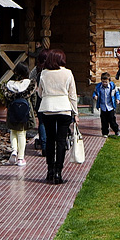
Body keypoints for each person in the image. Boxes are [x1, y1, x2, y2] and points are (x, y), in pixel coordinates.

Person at [36, 48, 79, 184]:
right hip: (64, 108)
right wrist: (75, 113)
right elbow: (72, 95)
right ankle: (59, 172)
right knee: (61, 141)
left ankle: (50, 169)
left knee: (50, 139)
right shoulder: (68, 73)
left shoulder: (44, 73)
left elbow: (40, 93)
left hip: (48, 108)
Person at [2, 64, 36, 167]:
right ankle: (21, 158)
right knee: (22, 133)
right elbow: (33, 100)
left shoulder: (9, 85)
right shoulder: (29, 84)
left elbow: (5, 100)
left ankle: (14, 150)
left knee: (13, 131)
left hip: (12, 111)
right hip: (25, 112)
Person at [94, 71, 120, 136]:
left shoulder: (112, 86)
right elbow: (95, 92)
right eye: (103, 82)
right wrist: (95, 96)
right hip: (103, 106)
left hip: (110, 106)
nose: (104, 83)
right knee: (104, 121)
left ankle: (116, 130)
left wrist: (118, 99)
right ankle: (105, 133)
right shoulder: (99, 87)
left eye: (106, 82)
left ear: (109, 81)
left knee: (112, 120)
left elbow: (117, 93)